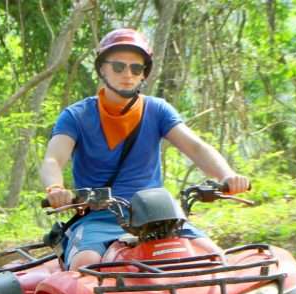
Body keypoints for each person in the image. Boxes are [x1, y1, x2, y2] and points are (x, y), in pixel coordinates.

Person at [39, 28, 250, 270]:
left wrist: (227, 176)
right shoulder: (76, 116)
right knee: (86, 265)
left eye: (136, 68)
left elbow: (196, 147)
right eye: (118, 67)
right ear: (102, 69)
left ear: (143, 75)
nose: (127, 74)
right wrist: (55, 188)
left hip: (159, 219)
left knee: (214, 258)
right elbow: (53, 160)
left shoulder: (158, 110)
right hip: (98, 218)